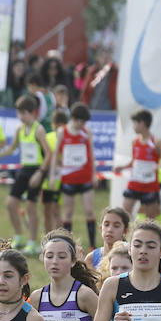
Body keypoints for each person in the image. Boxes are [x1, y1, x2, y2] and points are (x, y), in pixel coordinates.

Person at [52, 104, 99, 250]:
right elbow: (55, 155)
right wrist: (53, 175)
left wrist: (94, 174)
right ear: (73, 119)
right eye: (81, 121)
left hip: (85, 177)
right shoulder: (62, 132)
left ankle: (92, 246)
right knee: (68, 213)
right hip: (69, 178)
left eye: (85, 122)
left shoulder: (86, 132)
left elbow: (91, 153)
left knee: (89, 211)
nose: (83, 125)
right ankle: (69, 245)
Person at [123, 109, 161, 224]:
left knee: (149, 222)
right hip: (134, 183)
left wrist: (159, 167)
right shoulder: (135, 142)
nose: (133, 127)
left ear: (142, 123)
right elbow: (134, 161)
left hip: (149, 186)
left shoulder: (156, 141)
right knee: (124, 214)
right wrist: (122, 167)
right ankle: (123, 241)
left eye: (135, 123)